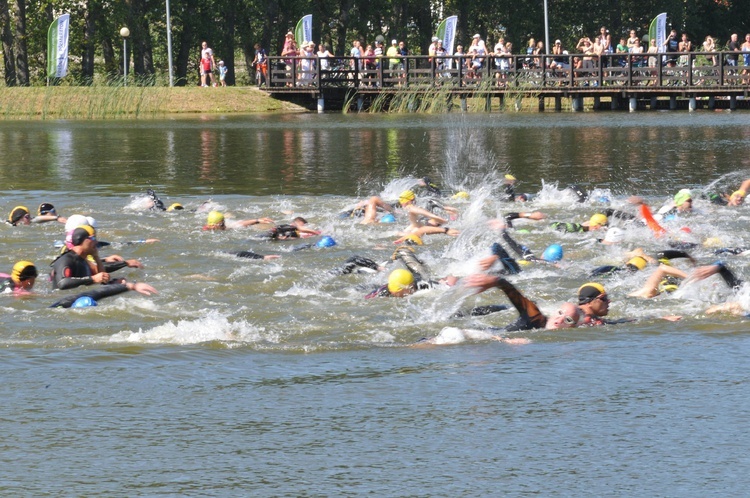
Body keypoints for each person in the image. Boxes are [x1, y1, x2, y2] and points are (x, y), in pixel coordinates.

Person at [462, 273, 582, 331]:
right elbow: (517, 298)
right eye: (560, 313)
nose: (559, 320)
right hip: (475, 332)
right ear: (555, 312)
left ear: (573, 326)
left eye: (568, 320)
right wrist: (496, 281)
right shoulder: (536, 318)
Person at [50, 225, 115, 290]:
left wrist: (96, 257)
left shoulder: (84, 260)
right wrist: (93, 279)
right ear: (80, 239)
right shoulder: (66, 259)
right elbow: (62, 283)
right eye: (93, 238)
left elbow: (102, 279)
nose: (96, 242)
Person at [50, 281, 158, 309]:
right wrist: (131, 286)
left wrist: (130, 286)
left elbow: (98, 292)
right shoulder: (63, 305)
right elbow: (98, 292)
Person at [203, 211, 275, 231]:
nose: (223, 225)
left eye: (223, 222)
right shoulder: (207, 229)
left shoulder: (225, 227)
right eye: (222, 223)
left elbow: (240, 224)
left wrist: (257, 220)